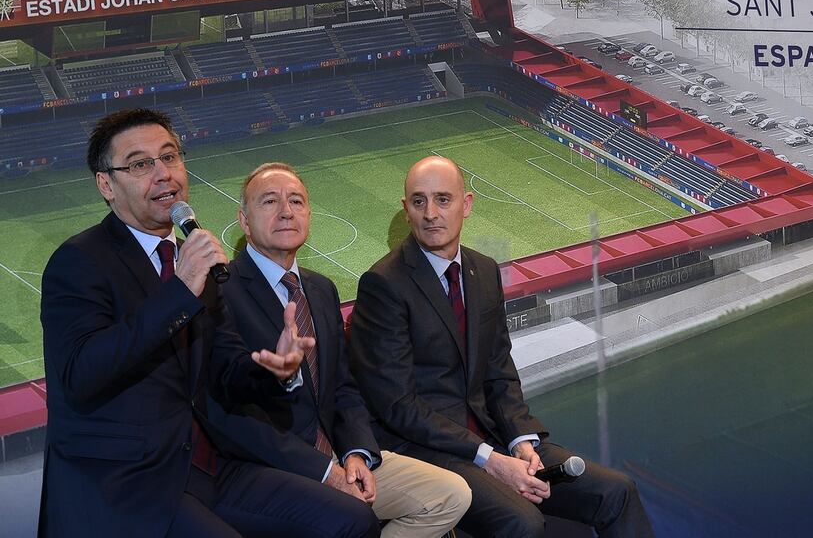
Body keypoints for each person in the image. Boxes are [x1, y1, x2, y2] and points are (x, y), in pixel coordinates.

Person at [39, 108, 379, 538]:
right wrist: (180, 291)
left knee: (353, 520)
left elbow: (226, 370)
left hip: (207, 466)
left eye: (170, 157)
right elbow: (80, 375)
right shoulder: (81, 261)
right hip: (125, 482)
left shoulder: (194, 258)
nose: (163, 173)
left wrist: (275, 368)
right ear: (106, 184)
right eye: (142, 164)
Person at [349, 155, 654, 537]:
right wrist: (489, 458)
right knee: (521, 522)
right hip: (430, 451)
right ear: (406, 209)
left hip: (494, 439)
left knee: (616, 491)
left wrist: (521, 441)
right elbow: (398, 406)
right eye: (418, 201)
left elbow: (498, 371)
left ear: (467, 204)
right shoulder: (383, 284)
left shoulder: (484, 270)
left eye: (443, 199)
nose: (431, 213)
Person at [215, 162, 471, 537]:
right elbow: (230, 414)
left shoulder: (320, 289)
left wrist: (356, 453)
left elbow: (343, 389)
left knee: (451, 495)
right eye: (269, 201)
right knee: (353, 517)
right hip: (272, 469)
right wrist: (326, 472)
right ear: (243, 219)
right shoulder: (220, 293)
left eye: (297, 201)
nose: (286, 211)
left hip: (338, 455)